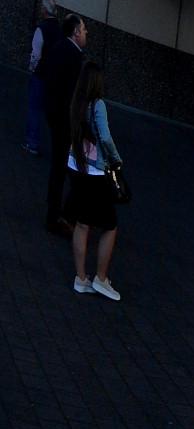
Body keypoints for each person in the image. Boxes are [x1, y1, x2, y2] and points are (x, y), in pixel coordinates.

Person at [63, 62, 121, 300]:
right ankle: (101, 278)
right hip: (95, 171)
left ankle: (81, 278)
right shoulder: (98, 104)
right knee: (110, 225)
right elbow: (105, 137)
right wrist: (116, 158)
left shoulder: (77, 102)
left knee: (82, 223)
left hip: (75, 164)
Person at [36, 11, 87, 234]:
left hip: (55, 114)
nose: (86, 32)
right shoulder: (74, 56)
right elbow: (71, 94)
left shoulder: (60, 47)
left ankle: (55, 214)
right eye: (84, 29)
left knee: (58, 167)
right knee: (70, 169)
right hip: (65, 119)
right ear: (76, 32)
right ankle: (63, 217)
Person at [24, 0, 57, 156]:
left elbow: (36, 54)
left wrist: (32, 68)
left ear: (44, 10)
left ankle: (32, 142)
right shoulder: (60, 30)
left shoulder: (41, 28)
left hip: (40, 75)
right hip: (53, 77)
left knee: (34, 109)